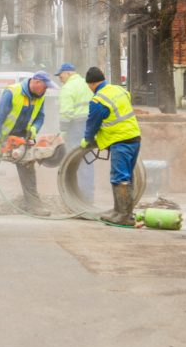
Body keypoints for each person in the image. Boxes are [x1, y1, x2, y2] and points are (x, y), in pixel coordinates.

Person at [0, 70, 57, 217]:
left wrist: (33, 129)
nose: (46, 90)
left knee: (28, 169)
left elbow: (40, 117)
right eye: (45, 86)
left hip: (20, 138)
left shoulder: (40, 97)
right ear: (36, 82)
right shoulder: (12, 92)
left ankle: (34, 206)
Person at [80, 66, 142, 226]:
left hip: (120, 141)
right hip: (134, 137)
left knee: (119, 177)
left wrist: (87, 139)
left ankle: (123, 216)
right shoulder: (119, 90)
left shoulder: (98, 100)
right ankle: (121, 211)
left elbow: (92, 123)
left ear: (91, 84)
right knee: (128, 176)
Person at [56, 63, 94, 202]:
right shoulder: (87, 83)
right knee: (87, 161)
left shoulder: (67, 88)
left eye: (60, 75)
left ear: (68, 73)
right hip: (90, 126)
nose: (60, 79)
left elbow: (66, 113)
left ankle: (73, 197)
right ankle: (88, 197)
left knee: (71, 161)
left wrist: (63, 132)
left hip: (75, 127)